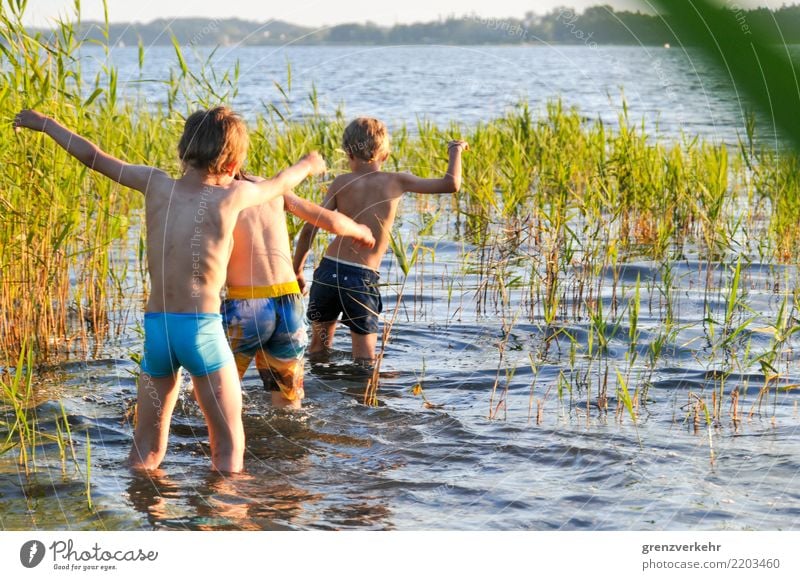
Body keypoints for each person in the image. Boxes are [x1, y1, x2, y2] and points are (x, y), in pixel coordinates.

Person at [13, 106, 326, 472]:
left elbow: (94, 157)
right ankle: (223, 522)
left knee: (145, 450)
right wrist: (307, 164)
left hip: (158, 331)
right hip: (202, 331)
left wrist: (46, 123)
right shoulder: (234, 196)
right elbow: (279, 183)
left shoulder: (154, 183)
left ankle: (147, 512)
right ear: (231, 165)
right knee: (227, 449)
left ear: (184, 151)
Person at [292, 117, 468, 365]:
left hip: (327, 273)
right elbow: (451, 184)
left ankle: (320, 396)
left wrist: (298, 269)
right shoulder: (396, 180)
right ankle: (361, 401)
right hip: (360, 279)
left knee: (318, 350)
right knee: (365, 361)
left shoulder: (341, 183)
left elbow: (311, 226)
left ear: (348, 154)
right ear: (384, 155)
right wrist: (455, 150)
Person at [223, 173, 375, 409]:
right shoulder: (270, 186)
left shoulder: (214, 194)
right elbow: (327, 220)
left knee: (217, 389)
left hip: (247, 304)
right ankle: (291, 442)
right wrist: (358, 229)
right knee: (288, 396)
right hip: (289, 301)